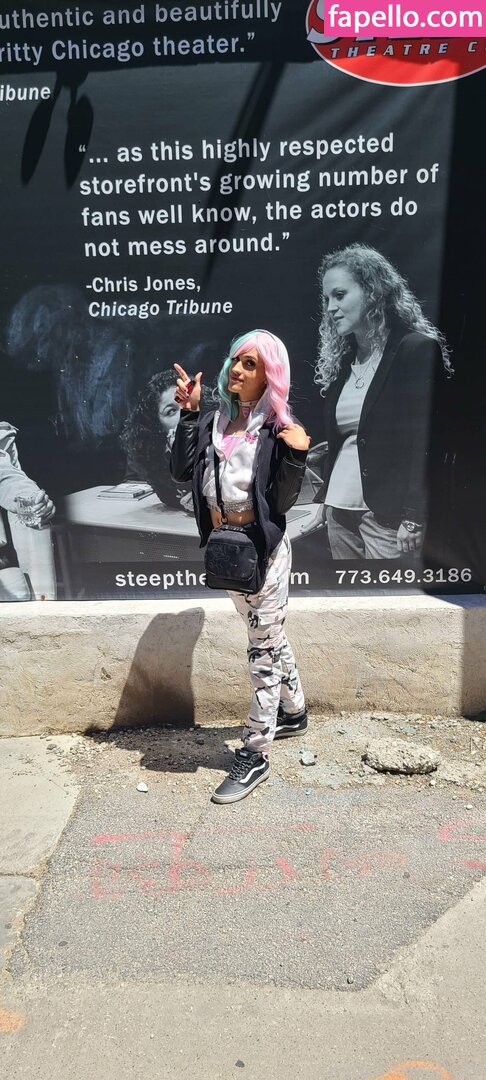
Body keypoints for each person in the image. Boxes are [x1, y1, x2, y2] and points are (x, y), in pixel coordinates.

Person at [170, 330, 310, 804]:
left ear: (270, 374)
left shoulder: (277, 428)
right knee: (267, 634)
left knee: (261, 648)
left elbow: (281, 502)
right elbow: (180, 470)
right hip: (227, 549)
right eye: (236, 359)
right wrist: (189, 414)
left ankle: (255, 752)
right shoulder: (215, 420)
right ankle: (293, 711)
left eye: (251, 364)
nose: (237, 369)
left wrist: (296, 455)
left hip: (262, 550)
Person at [314, 243, 452, 560]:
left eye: (340, 295)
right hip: (339, 512)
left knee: (396, 594)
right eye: (326, 299)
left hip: (390, 519)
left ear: (372, 292)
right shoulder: (342, 364)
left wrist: (415, 516)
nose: (331, 307)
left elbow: (428, 441)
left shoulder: (415, 350)